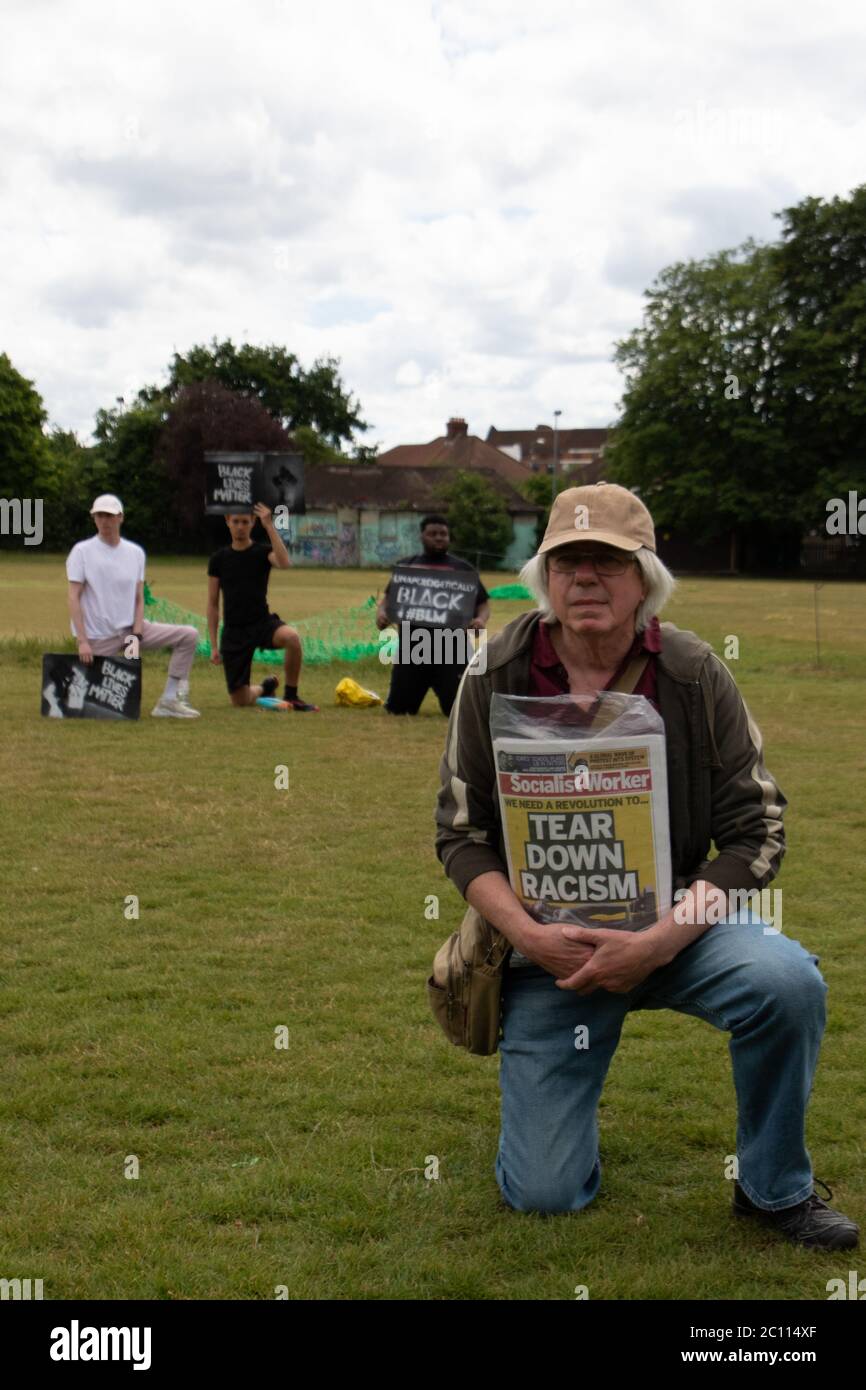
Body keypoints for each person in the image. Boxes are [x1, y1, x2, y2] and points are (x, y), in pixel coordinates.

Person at [434, 481, 858, 1250]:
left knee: (787, 983)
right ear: (545, 577)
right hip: (548, 947)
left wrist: (661, 940)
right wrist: (527, 936)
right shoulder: (492, 669)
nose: (586, 579)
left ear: (646, 578)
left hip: (676, 928)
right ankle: (559, 1119)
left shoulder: (694, 673)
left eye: (608, 562)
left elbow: (756, 829)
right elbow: (460, 834)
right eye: (567, 562)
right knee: (544, 1195)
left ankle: (774, 1190)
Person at [67, 494, 200, 718]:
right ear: (94, 518)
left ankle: (168, 701)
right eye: (100, 515)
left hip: (131, 630)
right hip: (98, 636)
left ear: (121, 518)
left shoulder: (135, 553)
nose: (104, 521)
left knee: (188, 635)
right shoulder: (82, 551)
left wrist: (136, 634)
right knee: (96, 702)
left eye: (109, 515)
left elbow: (138, 598)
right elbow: (73, 597)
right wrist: (83, 642)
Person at [375, 514, 491, 716]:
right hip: (413, 647)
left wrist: (480, 620)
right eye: (433, 533)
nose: (439, 538)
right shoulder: (407, 567)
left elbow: (483, 604)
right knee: (398, 710)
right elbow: (387, 600)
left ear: (449, 537)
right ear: (422, 536)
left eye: (443, 534)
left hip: (452, 649)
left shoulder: (463, 570)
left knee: (458, 712)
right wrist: (382, 614)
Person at [207, 504, 318, 710]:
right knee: (240, 701)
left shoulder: (262, 553)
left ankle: (291, 695)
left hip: (262, 623)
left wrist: (269, 525)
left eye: (245, 522)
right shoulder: (218, 559)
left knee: (292, 638)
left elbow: (284, 562)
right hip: (234, 632)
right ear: (227, 521)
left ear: (253, 523)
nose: (240, 527)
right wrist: (214, 646)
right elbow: (213, 604)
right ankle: (265, 687)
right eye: (236, 522)